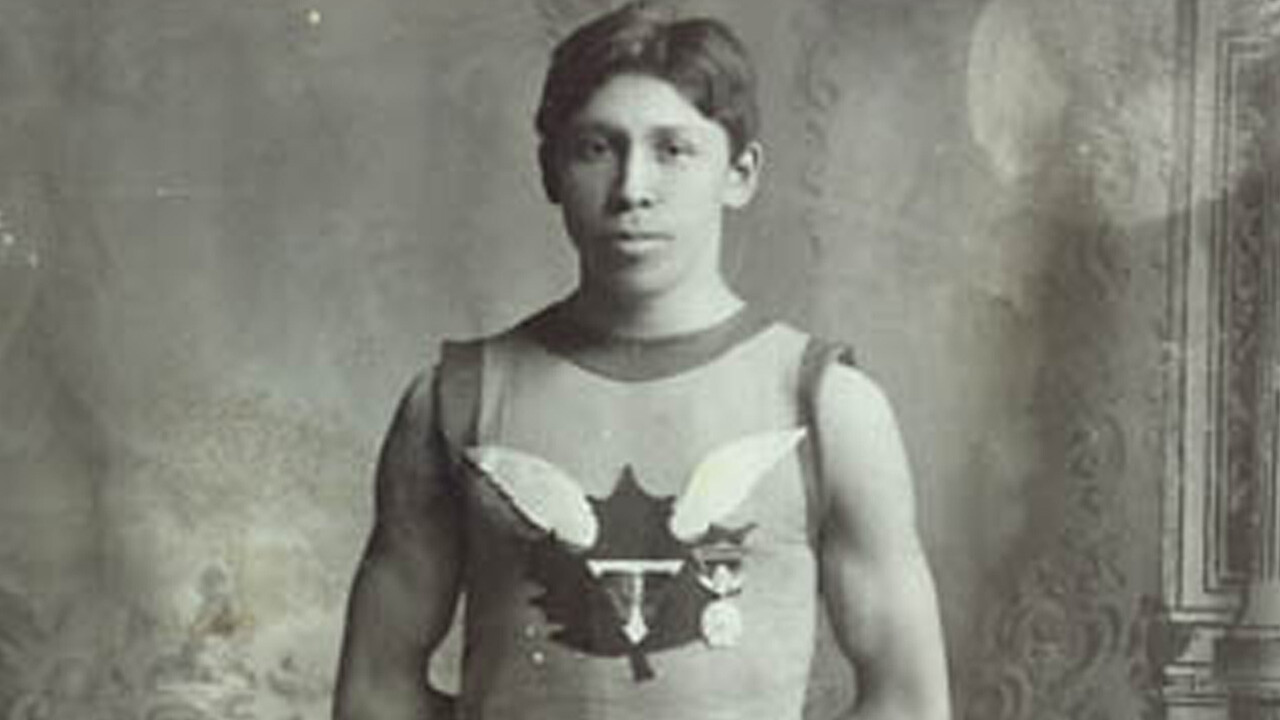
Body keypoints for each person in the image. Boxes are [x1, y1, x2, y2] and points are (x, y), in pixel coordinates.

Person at [333, 3, 950, 719]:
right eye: (597, 148)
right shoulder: (455, 400)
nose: (632, 189)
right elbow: (374, 692)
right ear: (550, 171)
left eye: (673, 149)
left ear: (740, 172)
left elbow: (909, 702)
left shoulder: (827, 405)